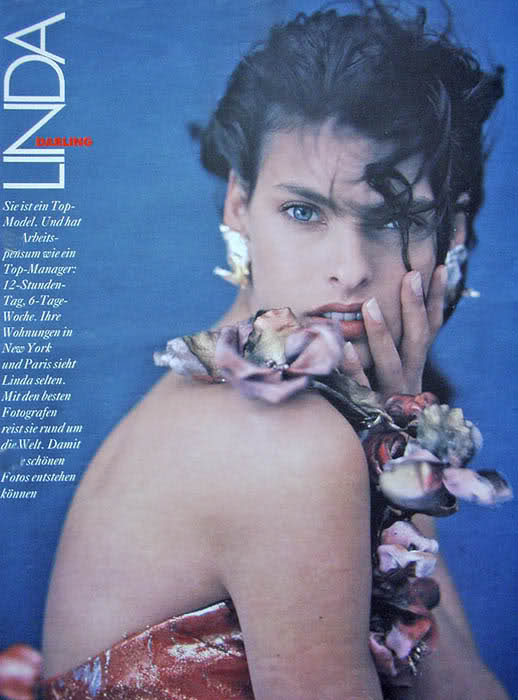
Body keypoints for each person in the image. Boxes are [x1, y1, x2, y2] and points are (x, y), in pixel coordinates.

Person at [0, 3, 510, 699]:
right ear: (238, 204)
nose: (348, 270)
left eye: (396, 220)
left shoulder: (253, 401)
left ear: (453, 234)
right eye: (304, 212)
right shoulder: (288, 444)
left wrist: (397, 437)